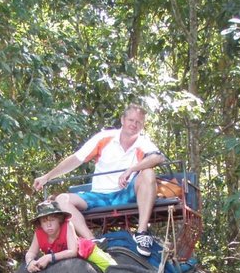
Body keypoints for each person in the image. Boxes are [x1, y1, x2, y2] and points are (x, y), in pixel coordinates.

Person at [33, 104, 167, 257]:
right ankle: (91, 239)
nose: (134, 124)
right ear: (122, 120)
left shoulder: (142, 143)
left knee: (148, 172)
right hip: (99, 195)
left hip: (126, 193)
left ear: (142, 126)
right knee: (62, 199)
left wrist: (132, 169)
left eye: (138, 122)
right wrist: (47, 176)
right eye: (131, 120)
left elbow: (158, 157)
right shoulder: (105, 138)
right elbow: (76, 159)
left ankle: (142, 232)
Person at [24, 200, 79, 273]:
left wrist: (50, 257)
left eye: (52, 220)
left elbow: (73, 251)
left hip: (76, 261)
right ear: (40, 223)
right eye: (44, 221)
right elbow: (31, 252)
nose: (48, 225)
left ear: (60, 219)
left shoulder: (67, 225)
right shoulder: (39, 232)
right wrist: (29, 262)